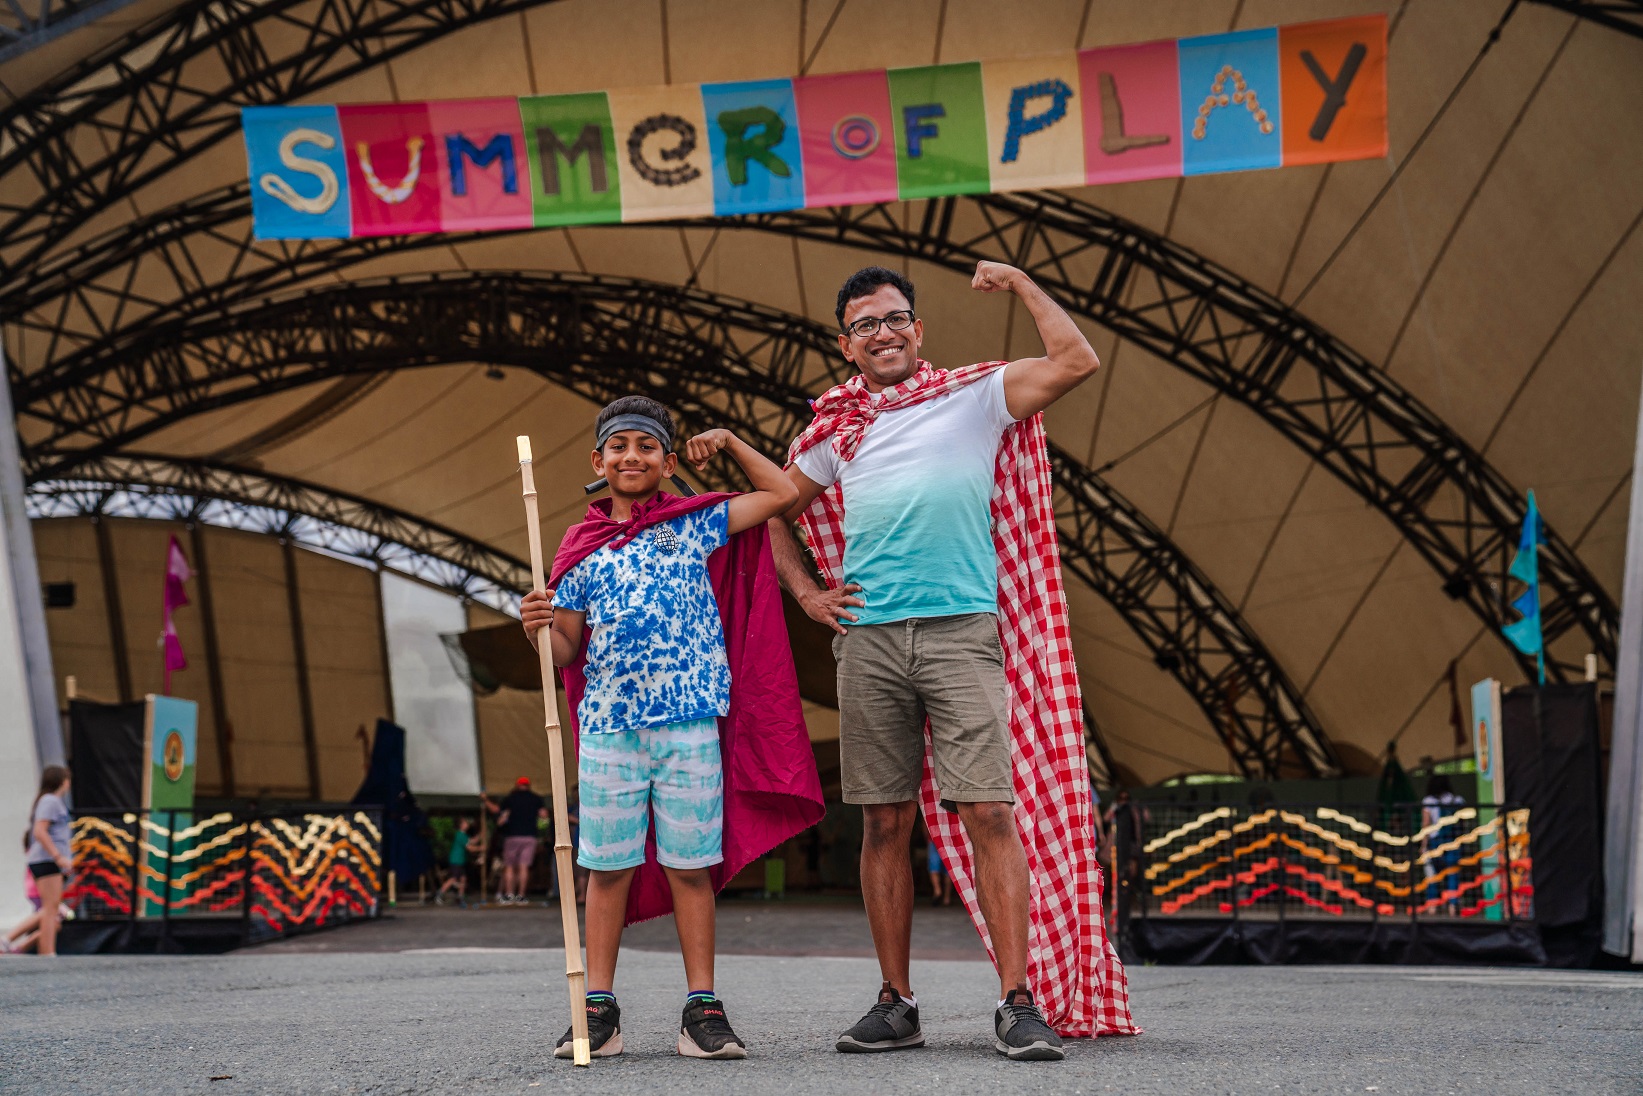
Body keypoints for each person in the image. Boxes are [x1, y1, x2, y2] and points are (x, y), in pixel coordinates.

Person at [769, 264, 1138, 1059]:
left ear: (918, 329)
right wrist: (805, 593)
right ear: (846, 345)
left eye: (893, 318)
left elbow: (1076, 361)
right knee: (882, 821)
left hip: (960, 630)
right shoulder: (835, 430)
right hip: (868, 638)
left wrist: (1023, 283)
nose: (882, 333)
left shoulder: (971, 397)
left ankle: (1016, 1000)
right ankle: (895, 1002)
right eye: (864, 325)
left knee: (990, 812)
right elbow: (774, 510)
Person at [521, 395, 799, 1060]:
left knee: (690, 868)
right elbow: (564, 650)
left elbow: (782, 493)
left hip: (688, 724)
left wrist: (727, 440)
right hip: (608, 729)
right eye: (618, 446)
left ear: (669, 463)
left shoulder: (689, 526)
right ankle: (599, 1011)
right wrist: (535, 627)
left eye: (647, 446)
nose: (632, 457)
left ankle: (701, 1009)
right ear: (598, 461)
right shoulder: (579, 549)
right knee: (606, 869)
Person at [21, 766, 72, 957]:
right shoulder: (50, 801)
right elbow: (40, 831)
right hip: (47, 860)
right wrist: (58, 856)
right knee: (50, 908)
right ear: (63, 781)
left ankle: (45, 951)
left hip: (47, 859)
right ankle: (47, 951)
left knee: (50, 908)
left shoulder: (49, 801)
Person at [487, 779, 547, 905]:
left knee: (509, 866)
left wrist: (484, 800)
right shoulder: (536, 799)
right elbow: (544, 815)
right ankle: (521, 895)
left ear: (517, 785)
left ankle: (509, 895)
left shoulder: (510, 799)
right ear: (528, 786)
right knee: (524, 866)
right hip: (530, 836)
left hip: (512, 836)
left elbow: (498, 812)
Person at [1421, 773, 1465, 913]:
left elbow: (1426, 824)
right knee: (1452, 873)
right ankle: (1453, 906)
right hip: (1454, 841)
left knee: (1432, 874)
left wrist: (1423, 845)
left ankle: (1433, 905)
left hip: (1435, 841)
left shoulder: (1428, 801)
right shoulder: (1457, 800)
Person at [436, 817, 475, 908]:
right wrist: (481, 848)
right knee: (453, 879)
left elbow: (471, 841)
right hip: (456, 860)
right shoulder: (460, 835)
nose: (467, 824)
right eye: (465, 823)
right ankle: (439, 893)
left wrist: (480, 836)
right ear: (461, 825)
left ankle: (460, 897)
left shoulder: (463, 835)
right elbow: (470, 848)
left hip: (460, 860)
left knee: (463, 878)